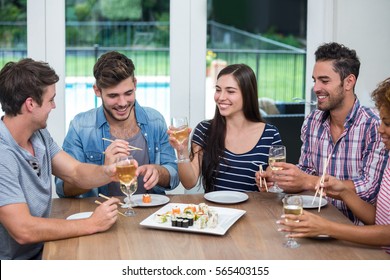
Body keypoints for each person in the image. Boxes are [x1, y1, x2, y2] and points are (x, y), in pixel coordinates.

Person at [0, 58, 121, 260]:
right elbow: (23, 230)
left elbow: (74, 172)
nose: (54, 106)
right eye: (51, 100)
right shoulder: (3, 155)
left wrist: (107, 172)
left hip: (43, 249)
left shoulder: (38, 136)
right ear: (30, 104)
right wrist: (91, 223)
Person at [259, 42, 388, 224]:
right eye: (315, 80)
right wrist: (282, 178)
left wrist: (308, 181)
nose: (316, 88)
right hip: (315, 224)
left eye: (324, 81)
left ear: (349, 82)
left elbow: (368, 187)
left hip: (357, 233)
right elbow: (306, 170)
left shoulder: (375, 126)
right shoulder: (312, 121)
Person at [277, 77, 390, 254]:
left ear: (348, 82)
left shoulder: (370, 126)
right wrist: (343, 192)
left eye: (387, 123)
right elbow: (377, 219)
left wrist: (328, 227)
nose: (380, 129)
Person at [55, 51, 179, 198]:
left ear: (135, 84)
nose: (122, 103)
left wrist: (159, 172)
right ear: (97, 90)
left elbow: (174, 174)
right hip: (101, 215)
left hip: (150, 214)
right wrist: (102, 172)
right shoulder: (80, 126)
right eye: (113, 96)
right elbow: (63, 189)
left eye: (128, 93)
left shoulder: (155, 120)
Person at [168, 63, 282, 192]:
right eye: (218, 90)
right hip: (215, 211)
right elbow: (189, 182)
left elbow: (274, 183)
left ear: (247, 94)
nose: (221, 97)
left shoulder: (270, 134)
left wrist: (268, 183)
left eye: (230, 91)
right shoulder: (205, 130)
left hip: (253, 211)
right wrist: (181, 151)